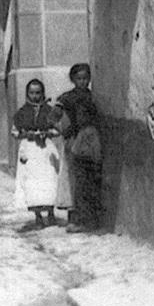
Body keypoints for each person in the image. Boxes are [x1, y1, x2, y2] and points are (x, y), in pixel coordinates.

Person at [56, 63, 103, 233]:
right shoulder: (68, 97)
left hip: (90, 141)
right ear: (73, 79)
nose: (83, 82)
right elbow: (56, 113)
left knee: (90, 180)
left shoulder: (92, 96)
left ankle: (90, 220)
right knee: (77, 181)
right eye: (79, 79)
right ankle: (77, 219)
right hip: (75, 141)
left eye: (86, 78)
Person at [12, 78, 64, 231]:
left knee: (49, 179)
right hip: (30, 149)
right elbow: (14, 132)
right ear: (27, 94)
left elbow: (58, 130)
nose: (35, 96)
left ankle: (50, 212)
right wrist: (25, 134)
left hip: (45, 149)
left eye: (38, 93)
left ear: (43, 93)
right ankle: (37, 216)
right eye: (32, 93)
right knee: (32, 182)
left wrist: (47, 132)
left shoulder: (49, 111)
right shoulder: (22, 112)